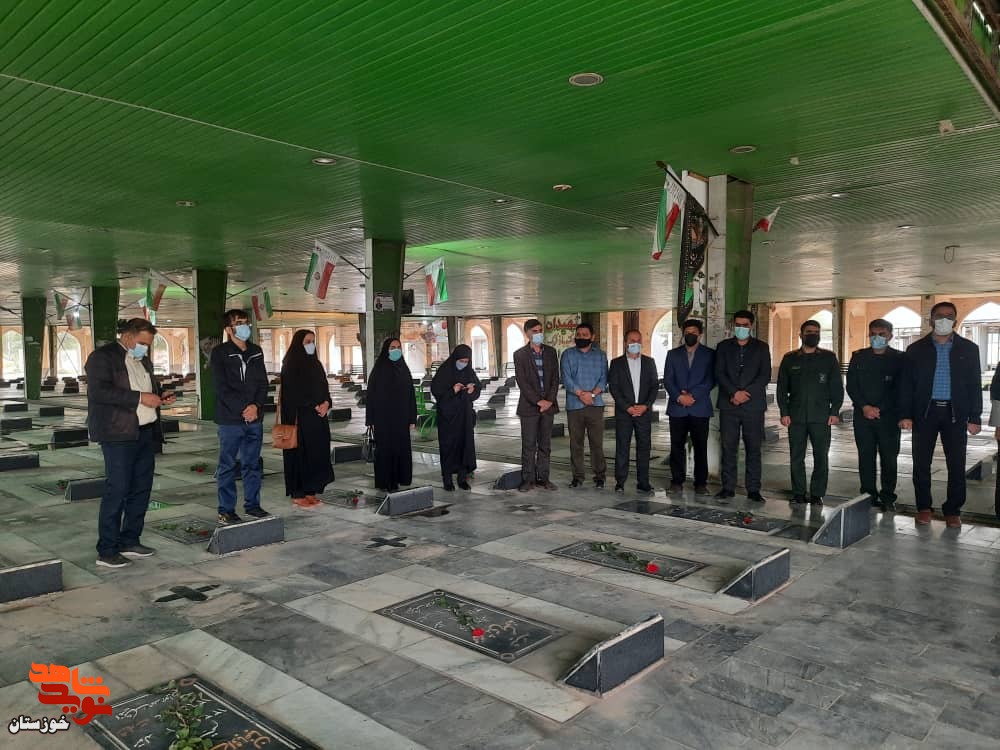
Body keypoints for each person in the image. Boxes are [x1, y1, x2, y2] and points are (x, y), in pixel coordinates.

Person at [86, 318, 176, 568]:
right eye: (142, 343)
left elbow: (148, 386)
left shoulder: (142, 359)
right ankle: (107, 550)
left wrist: (160, 394)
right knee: (118, 490)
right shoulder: (102, 357)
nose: (145, 348)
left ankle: (130, 540)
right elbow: (98, 392)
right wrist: (139, 398)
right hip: (118, 434)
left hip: (144, 432)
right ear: (127, 336)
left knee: (141, 489)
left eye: (148, 344)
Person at [899, 301, 982, 527]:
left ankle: (952, 510)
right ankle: (924, 507)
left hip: (956, 414)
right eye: (939, 316)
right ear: (931, 320)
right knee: (921, 463)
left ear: (955, 321)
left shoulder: (969, 349)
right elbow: (907, 385)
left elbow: (974, 384)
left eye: (949, 316)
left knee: (956, 463)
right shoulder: (916, 350)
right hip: (925, 413)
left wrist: (975, 417)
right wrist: (905, 414)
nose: (944, 319)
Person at [211, 309, 270, 524]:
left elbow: (263, 383)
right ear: (229, 329)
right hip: (230, 420)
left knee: (252, 465)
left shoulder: (256, 351)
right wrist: (244, 409)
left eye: (246, 322)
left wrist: (256, 406)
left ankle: (252, 506)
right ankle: (226, 510)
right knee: (227, 465)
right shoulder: (220, 353)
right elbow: (221, 388)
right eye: (239, 323)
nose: (245, 326)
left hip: (254, 419)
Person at [777, 319, 844, 505]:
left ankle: (817, 493)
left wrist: (835, 411)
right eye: (809, 332)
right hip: (796, 416)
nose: (813, 335)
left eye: (816, 332)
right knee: (796, 456)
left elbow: (837, 387)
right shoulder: (790, 359)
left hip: (821, 416)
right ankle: (798, 493)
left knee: (821, 456)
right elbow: (782, 389)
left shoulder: (828, 358)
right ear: (801, 335)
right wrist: (784, 412)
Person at [846, 319, 904, 510]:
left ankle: (888, 497)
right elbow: (852, 385)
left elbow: (901, 388)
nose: (876, 337)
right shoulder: (859, 357)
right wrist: (864, 407)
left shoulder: (899, 359)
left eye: (881, 334)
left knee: (889, 459)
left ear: (890, 336)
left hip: (889, 418)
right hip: (863, 416)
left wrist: (879, 408)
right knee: (865, 457)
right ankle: (868, 495)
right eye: (873, 334)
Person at [714, 310, 772, 502]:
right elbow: (719, 373)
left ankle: (753, 489)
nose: (741, 328)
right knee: (728, 447)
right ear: (733, 326)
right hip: (729, 405)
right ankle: (728, 487)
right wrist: (734, 393)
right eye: (737, 325)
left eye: (745, 325)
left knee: (753, 448)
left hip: (753, 406)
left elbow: (764, 375)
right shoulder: (723, 347)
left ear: (751, 326)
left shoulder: (761, 348)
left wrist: (745, 394)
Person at [280, 329, 335, 508]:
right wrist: (313, 405)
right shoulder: (290, 364)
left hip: (318, 419)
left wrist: (327, 402)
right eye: (307, 342)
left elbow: (325, 387)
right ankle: (298, 493)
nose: (311, 345)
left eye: (313, 341)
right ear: (298, 343)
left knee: (316, 453)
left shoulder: (316, 364)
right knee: (300, 455)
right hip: (300, 419)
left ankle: (311, 490)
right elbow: (292, 393)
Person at [664, 319, 715, 495]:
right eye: (687, 332)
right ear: (683, 334)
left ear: (700, 334)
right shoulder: (673, 354)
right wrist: (679, 397)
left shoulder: (709, 354)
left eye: (693, 332)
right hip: (677, 408)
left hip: (699, 407)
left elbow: (711, 379)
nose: (690, 335)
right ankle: (676, 481)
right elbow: (668, 379)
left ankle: (700, 483)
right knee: (676, 446)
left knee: (700, 447)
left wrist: (692, 396)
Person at [608, 330, 659, 495]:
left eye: (638, 340)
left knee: (644, 447)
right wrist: (627, 407)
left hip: (643, 412)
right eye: (632, 340)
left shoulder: (649, 362)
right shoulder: (616, 363)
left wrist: (646, 406)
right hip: (625, 413)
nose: (635, 343)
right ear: (625, 343)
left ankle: (643, 482)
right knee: (622, 447)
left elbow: (654, 387)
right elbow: (614, 388)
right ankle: (620, 482)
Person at [513, 319, 560, 492]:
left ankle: (543, 478)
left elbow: (555, 379)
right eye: (535, 331)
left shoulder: (551, 352)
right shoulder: (520, 355)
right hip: (529, 407)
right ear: (527, 333)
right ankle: (528, 480)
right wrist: (538, 401)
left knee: (545, 445)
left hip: (548, 406)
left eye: (540, 330)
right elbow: (522, 382)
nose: (538, 333)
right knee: (529, 445)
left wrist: (549, 400)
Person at [560, 323, 609, 488]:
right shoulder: (567, 355)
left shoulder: (601, 355)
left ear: (592, 337)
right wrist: (582, 394)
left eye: (585, 335)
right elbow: (566, 379)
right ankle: (578, 477)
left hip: (595, 405)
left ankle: (600, 476)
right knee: (576, 443)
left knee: (597, 443)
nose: (581, 337)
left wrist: (592, 395)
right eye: (578, 334)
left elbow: (604, 378)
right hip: (574, 405)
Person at [366, 337, 417, 491]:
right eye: (392, 347)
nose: (396, 350)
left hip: (401, 418)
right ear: (386, 350)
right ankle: (386, 482)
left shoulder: (404, 369)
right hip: (383, 419)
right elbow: (371, 396)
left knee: (401, 449)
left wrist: (412, 418)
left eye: (398, 347)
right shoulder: (379, 370)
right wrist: (371, 420)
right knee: (386, 450)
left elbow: (411, 395)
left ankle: (400, 478)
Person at [431, 344, 482, 491]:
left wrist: (472, 390)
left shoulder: (469, 372)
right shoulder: (444, 371)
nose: (463, 364)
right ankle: (447, 479)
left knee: (464, 446)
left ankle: (462, 478)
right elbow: (437, 391)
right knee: (448, 447)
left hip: (464, 417)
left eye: (466, 361)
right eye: (461, 361)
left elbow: (477, 389)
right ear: (455, 358)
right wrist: (453, 390)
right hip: (448, 418)